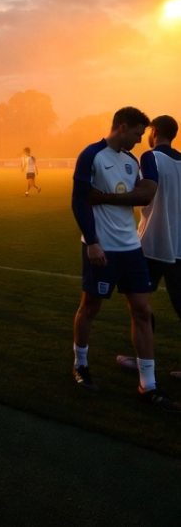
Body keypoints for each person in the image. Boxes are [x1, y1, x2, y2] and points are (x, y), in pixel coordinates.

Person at [71, 106, 180, 411]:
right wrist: (92, 242)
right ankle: (80, 363)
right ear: (121, 126)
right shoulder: (92, 155)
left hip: (131, 247)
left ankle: (149, 384)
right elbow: (79, 201)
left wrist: (105, 197)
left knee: (142, 311)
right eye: (136, 133)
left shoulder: (132, 161)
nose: (139, 139)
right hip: (101, 247)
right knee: (90, 307)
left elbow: (142, 196)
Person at [114, 115, 181, 379]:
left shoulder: (151, 157)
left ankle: (142, 359)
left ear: (154, 131)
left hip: (152, 242)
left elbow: (145, 192)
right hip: (179, 245)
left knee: (139, 305)